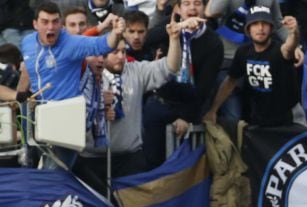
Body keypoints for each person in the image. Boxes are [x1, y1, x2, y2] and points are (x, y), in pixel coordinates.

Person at [72, 16, 190, 195]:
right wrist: (96, 103)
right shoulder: (86, 75)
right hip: (91, 160)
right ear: (102, 54)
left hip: (130, 159)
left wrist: (174, 39)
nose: (121, 57)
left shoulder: (135, 70)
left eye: (123, 52)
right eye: (115, 52)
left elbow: (169, 68)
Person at [18, 1, 126, 169]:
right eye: (45, 22)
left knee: (53, 176)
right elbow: (26, 69)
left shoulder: (71, 44)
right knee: (32, 173)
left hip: (65, 119)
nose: (50, 27)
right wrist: (20, 94)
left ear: (61, 24)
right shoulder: (26, 43)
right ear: (35, 24)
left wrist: (116, 34)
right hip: (34, 117)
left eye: (55, 22)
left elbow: (102, 44)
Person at [142, 0, 223, 169]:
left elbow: (204, 88)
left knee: (185, 165)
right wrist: (177, 29)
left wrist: (187, 116)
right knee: (151, 160)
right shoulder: (169, 25)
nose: (192, 8)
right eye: (186, 3)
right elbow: (144, 39)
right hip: (160, 101)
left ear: (204, 8)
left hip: (189, 106)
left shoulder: (213, 41)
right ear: (178, 8)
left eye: (197, 3)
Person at [203, 6, 300, 127]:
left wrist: (294, 32)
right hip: (259, 121)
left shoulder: (279, 50)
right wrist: (213, 110)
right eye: (255, 24)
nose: (260, 28)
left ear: (271, 28)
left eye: (265, 24)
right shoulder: (243, 52)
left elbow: (289, 47)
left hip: (289, 119)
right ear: (248, 29)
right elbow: (230, 82)